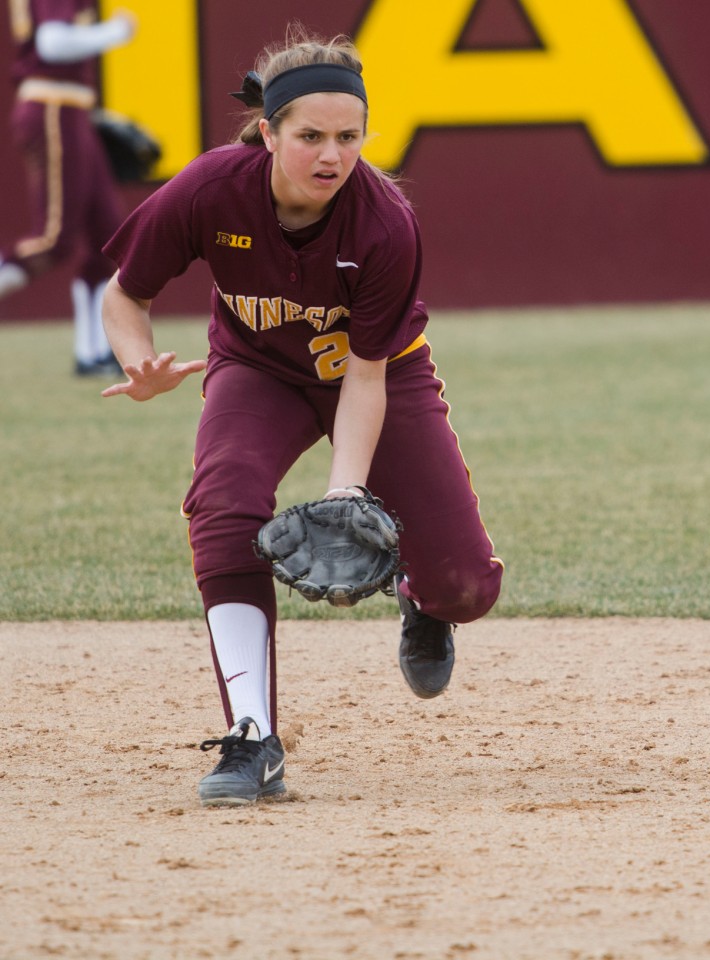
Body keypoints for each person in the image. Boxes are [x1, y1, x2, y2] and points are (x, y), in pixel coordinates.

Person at [99, 28, 504, 808]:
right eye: (310, 136)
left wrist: (346, 490)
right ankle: (252, 737)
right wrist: (137, 361)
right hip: (258, 370)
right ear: (267, 132)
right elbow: (126, 294)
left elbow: (365, 372)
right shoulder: (213, 189)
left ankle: (423, 597)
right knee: (223, 509)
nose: (332, 155)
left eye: (349, 137)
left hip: (376, 376)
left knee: (465, 588)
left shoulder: (384, 222)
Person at [1, 1, 137, 375]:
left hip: (69, 107)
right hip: (51, 103)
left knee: (110, 236)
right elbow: (52, 43)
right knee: (53, 238)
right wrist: (117, 31)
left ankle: (92, 352)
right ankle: (91, 350)